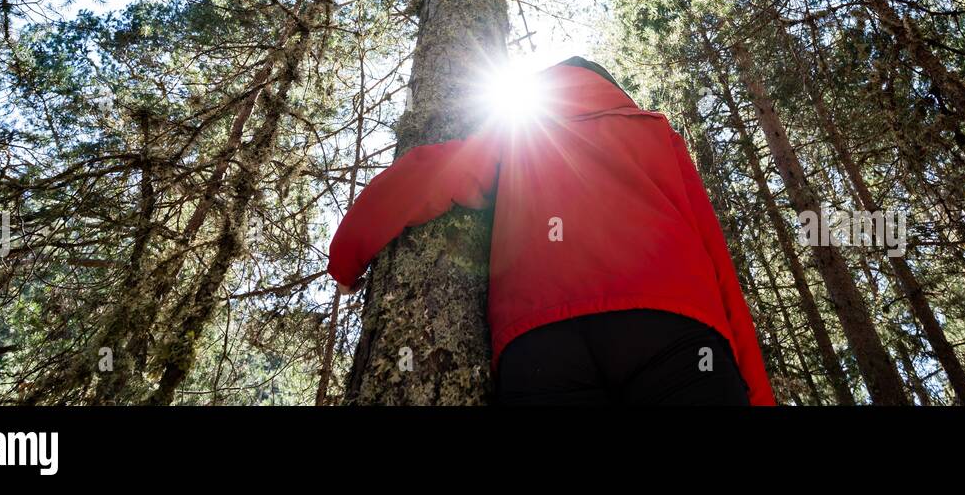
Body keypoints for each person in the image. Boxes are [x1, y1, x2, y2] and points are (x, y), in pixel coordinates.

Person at [327, 56, 777, 405]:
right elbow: (717, 261)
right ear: (611, 89)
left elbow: (431, 172)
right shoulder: (653, 132)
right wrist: (757, 392)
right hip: (675, 331)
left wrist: (346, 257)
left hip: (542, 343)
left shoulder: (521, 133)